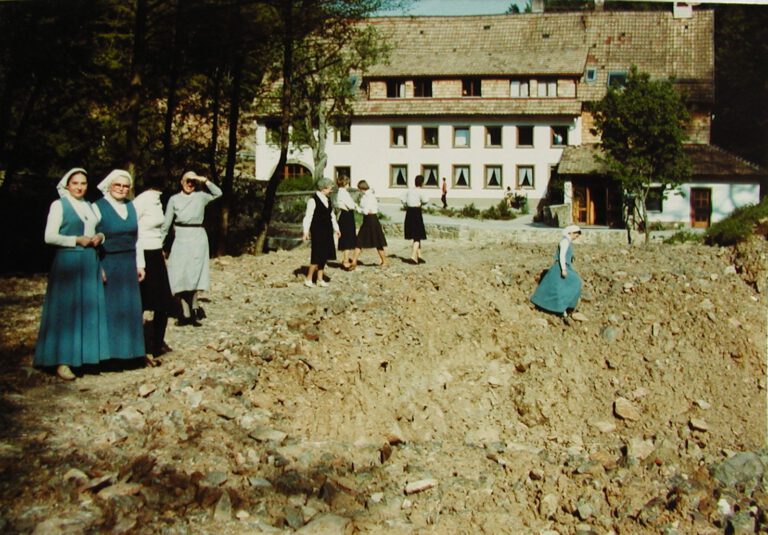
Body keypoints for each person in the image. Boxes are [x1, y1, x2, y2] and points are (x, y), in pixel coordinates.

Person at [34, 168, 109, 380]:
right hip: (68, 261)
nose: (79, 187)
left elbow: (97, 230)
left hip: (90, 261)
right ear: (67, 185)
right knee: (67, 311)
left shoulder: (89, 206)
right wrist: (75, 240)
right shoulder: (59, 205)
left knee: (86, 309)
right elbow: (49, 236)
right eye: (75, 183)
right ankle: (62, 361)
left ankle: (82, 358)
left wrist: (100, 237)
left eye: (83, 183)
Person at [94, 169, 146, 362]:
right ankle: (109, 356)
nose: (122, 189)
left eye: (125, 186)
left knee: (129, 307)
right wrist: (97, 266)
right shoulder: (97, 207)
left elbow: (137, 239)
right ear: (109, 186)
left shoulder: (131, 207)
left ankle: (129, 353)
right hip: (108, 262)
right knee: (110, 308)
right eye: (118, 185)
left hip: (128, 263)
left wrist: (140, 264)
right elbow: (92, 238)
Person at [161, 170, 222, 326]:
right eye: (187, 181)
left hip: (197, 236)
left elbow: (218, 193)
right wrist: (159, 243)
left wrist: (204, 180)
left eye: (193, 182)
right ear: (181, 182)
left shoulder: (201, 196)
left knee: (194, 274)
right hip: (181, 237)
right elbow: (167, 223)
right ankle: (185, 312)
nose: (190, 184)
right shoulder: (174, 199)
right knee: (178, 274)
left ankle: (193, 311)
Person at [133, 172, 174, 359]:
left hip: (156, 253)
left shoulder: (158, 201)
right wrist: (138, 260)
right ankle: (137, 346)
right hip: (144, 254)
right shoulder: (142, 200)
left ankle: (157, 345)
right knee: (144, 301)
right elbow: (133, 229)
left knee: (163, 302)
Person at [530, 224, 583, 323]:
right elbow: (562, 256)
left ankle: (564, 307)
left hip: (565, 267)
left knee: (561, 287)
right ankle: (561, 308)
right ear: (570, 233)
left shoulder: (567, 242)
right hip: (560, 267)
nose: (576, 236)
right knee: (575, 282)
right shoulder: (564, 241)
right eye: (576, 234)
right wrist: (563, 269)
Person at [302, 178, 340, 287]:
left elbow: (331, 215)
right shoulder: (313, 201)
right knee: (317, 254)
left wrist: (336, 228)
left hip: (327, 229)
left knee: (324, 254)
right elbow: (308, 217)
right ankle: (309, 278)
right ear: (324, 188)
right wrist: (305, 231)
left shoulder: (327, 200)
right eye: (330, 187)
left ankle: (320, 278)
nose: (331, 189)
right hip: (317, 230)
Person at [350, 180, 387, 269]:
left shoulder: (368, 197)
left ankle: (384, 261)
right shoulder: (369, 196)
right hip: (370, 219)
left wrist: (357, 208)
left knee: (374, 240)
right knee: (362, 240)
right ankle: (354, 261)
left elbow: (366, 211)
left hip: (371, 219)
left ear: (361, 188)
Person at [402, 174, 429, 264]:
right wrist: (421, 203)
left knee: (416, 234)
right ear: (422, 183)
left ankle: (419, 255)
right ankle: (413, 256)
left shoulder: (409, 191)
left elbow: (403, 199)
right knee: (417, 234)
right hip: (416, 212)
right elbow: (425, 200)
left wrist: (407, 204)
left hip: (409, 212)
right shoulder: (421, 191)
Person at [335, 175, 357, 270]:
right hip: (346, 216)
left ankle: (346, 259)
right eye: (348, 182)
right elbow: (351, 205)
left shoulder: (341, 192)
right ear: (345, 183)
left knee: (346, 238)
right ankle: (345, 260)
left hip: (345, 215)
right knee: (347, 238)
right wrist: (355, 206)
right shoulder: (343, 193)